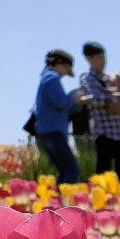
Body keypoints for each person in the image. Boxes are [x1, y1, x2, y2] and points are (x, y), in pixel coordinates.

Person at [79, 41, 120, 183]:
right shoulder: (87, 78)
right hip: (103, 132)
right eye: (99, 58)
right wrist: (118, 97)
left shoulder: (112, 78)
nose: (103, 61)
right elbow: (96, 99)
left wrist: (116, 97)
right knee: (103, 174)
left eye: (104, 57)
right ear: (89, 59)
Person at [34, 49, 81, 184]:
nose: (65, 74)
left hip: (45, 132)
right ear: (61, 63)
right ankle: (65, 197)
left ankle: (58, 196)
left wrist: (75, 103)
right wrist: (75, 99)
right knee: (72, 170)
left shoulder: (45, 77)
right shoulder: (52, 78)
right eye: (67, 69)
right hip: (54, 132)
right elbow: (60, 101)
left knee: (64, 171)